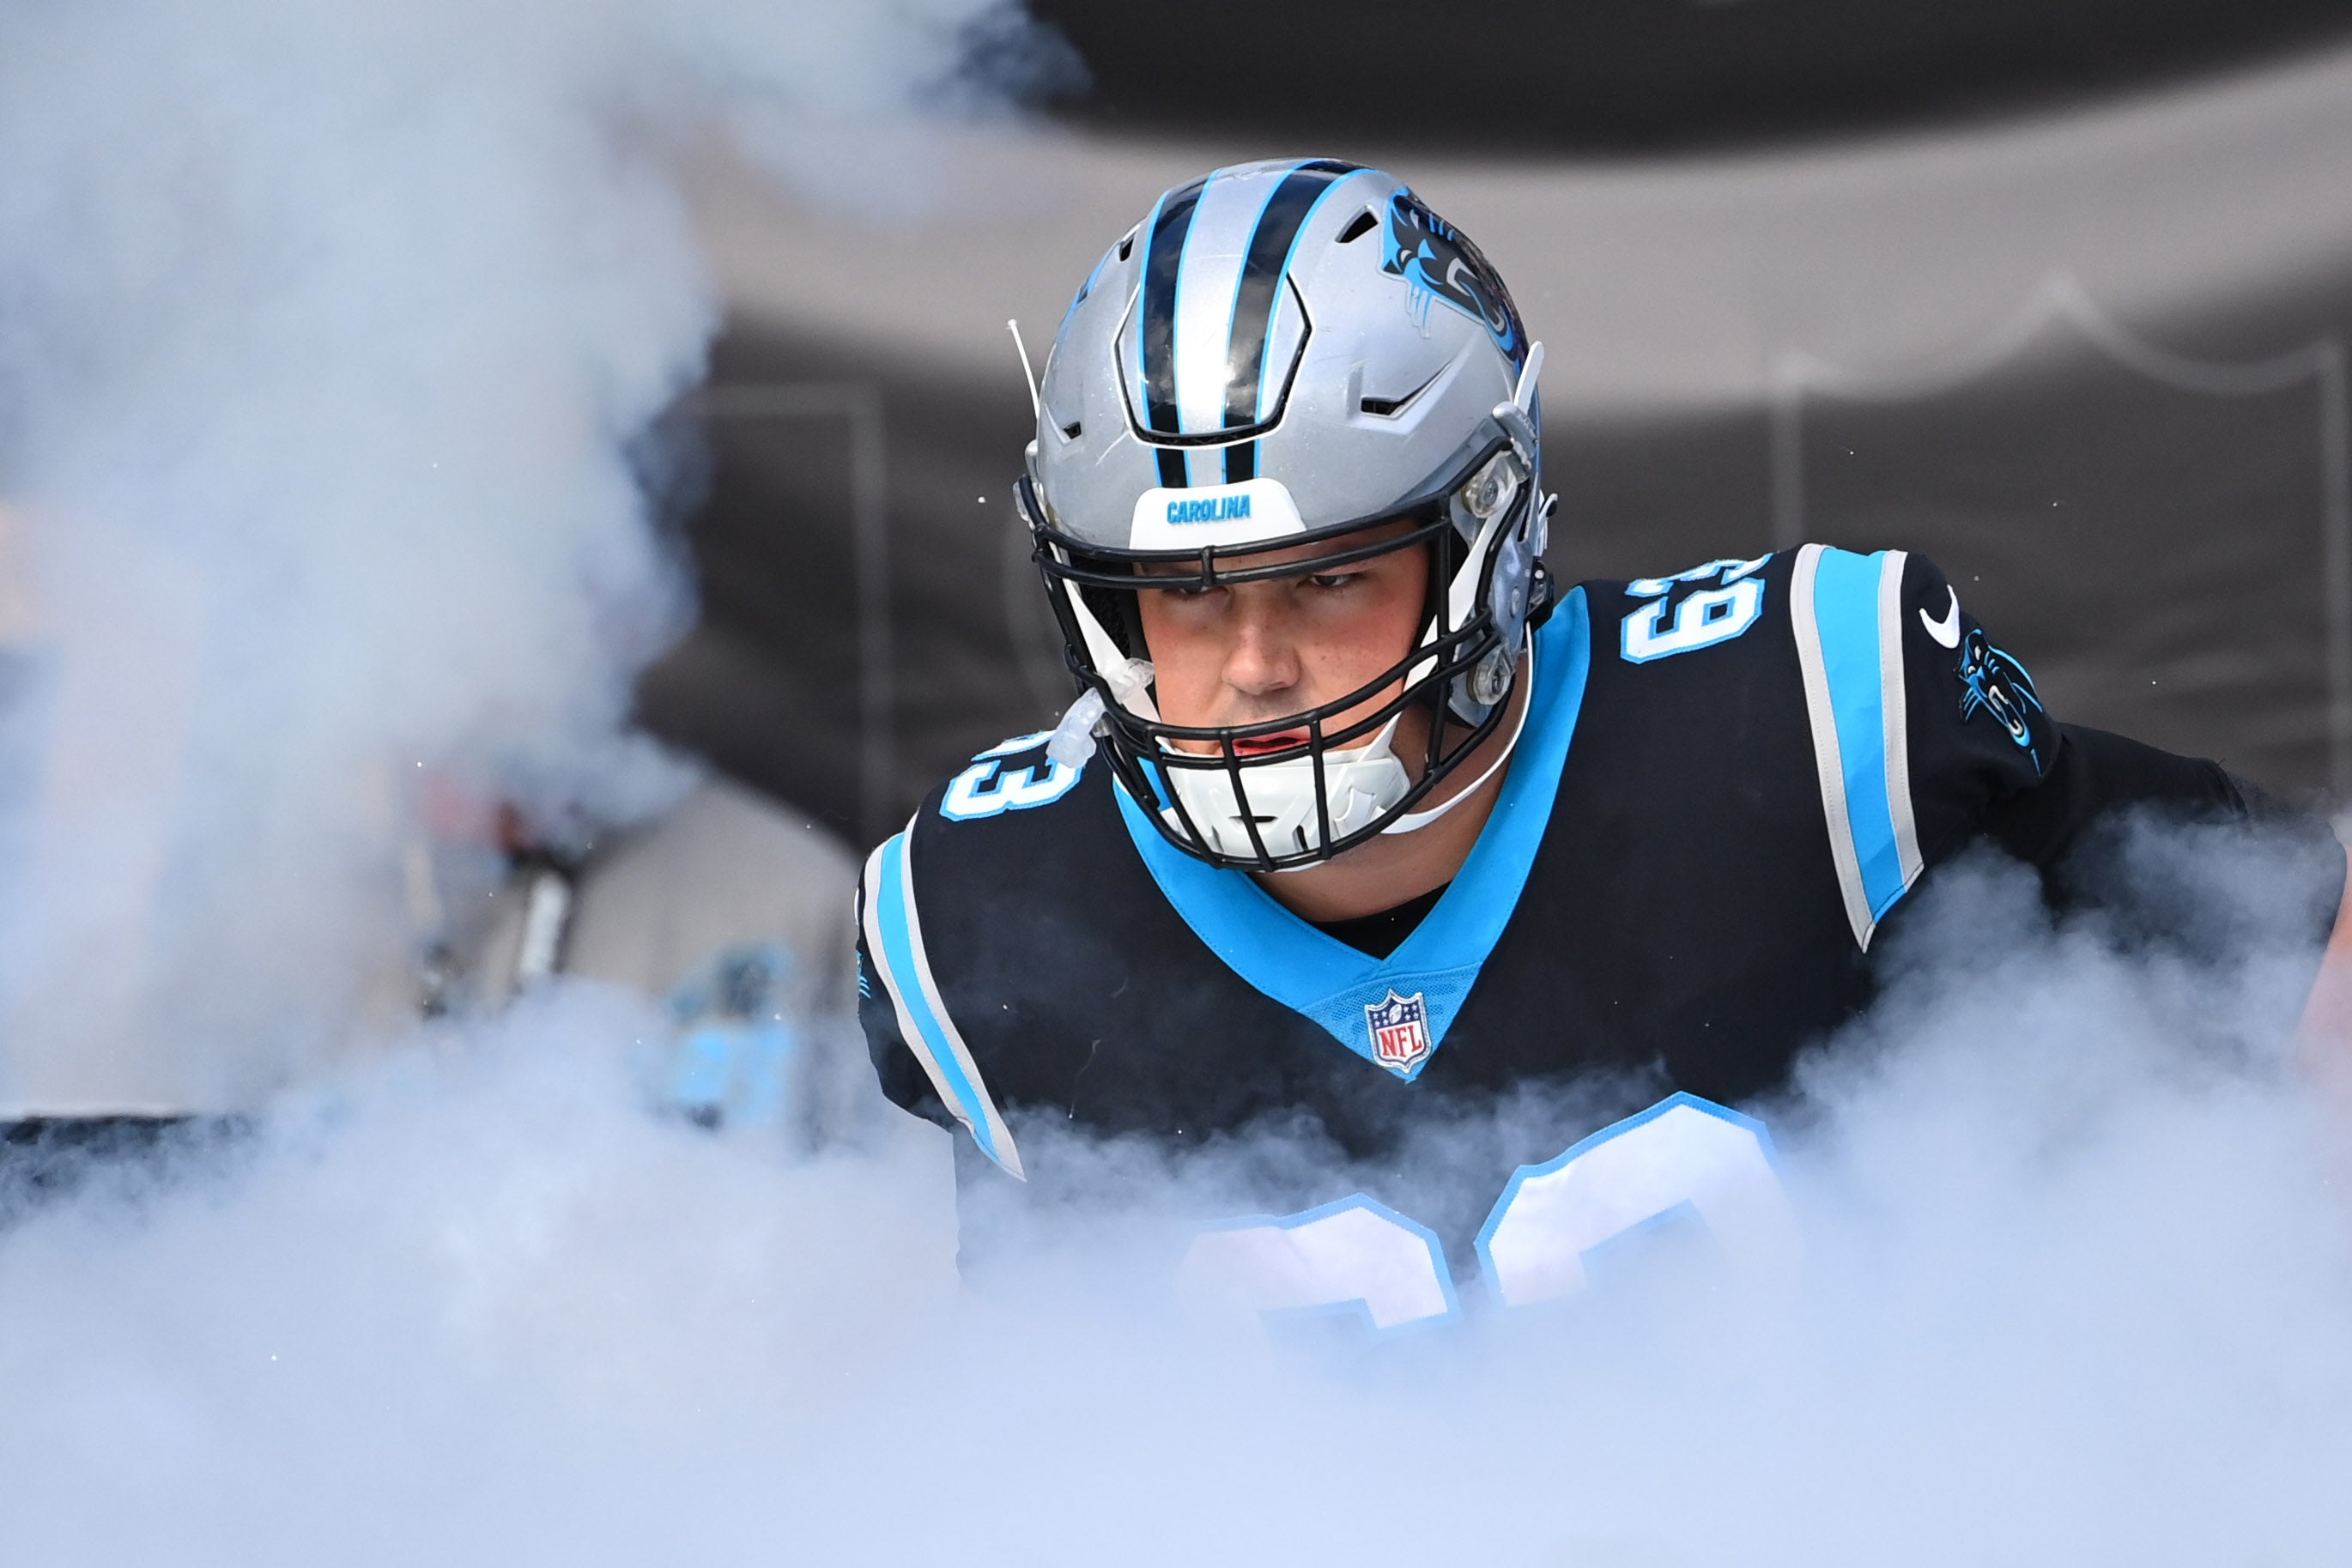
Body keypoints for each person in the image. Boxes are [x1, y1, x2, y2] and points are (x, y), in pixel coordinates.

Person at [853, 159, 2350, 1319]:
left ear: (1487, 541)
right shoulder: (983, 919)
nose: (1253, 666)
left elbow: (2297, 949)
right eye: (1182, 593)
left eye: (1327, 578)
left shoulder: (1805, 713)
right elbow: (1048, 1411)